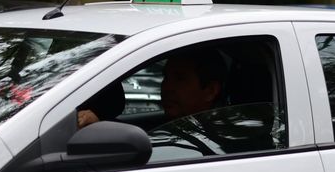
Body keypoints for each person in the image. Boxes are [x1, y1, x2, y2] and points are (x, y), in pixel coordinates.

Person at [78, 46, 226, 128]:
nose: (167, 87)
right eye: (166, 77)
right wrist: (100, 125)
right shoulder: (173, 128)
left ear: (210, 91)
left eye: (180, 79)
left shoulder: (220, 140)